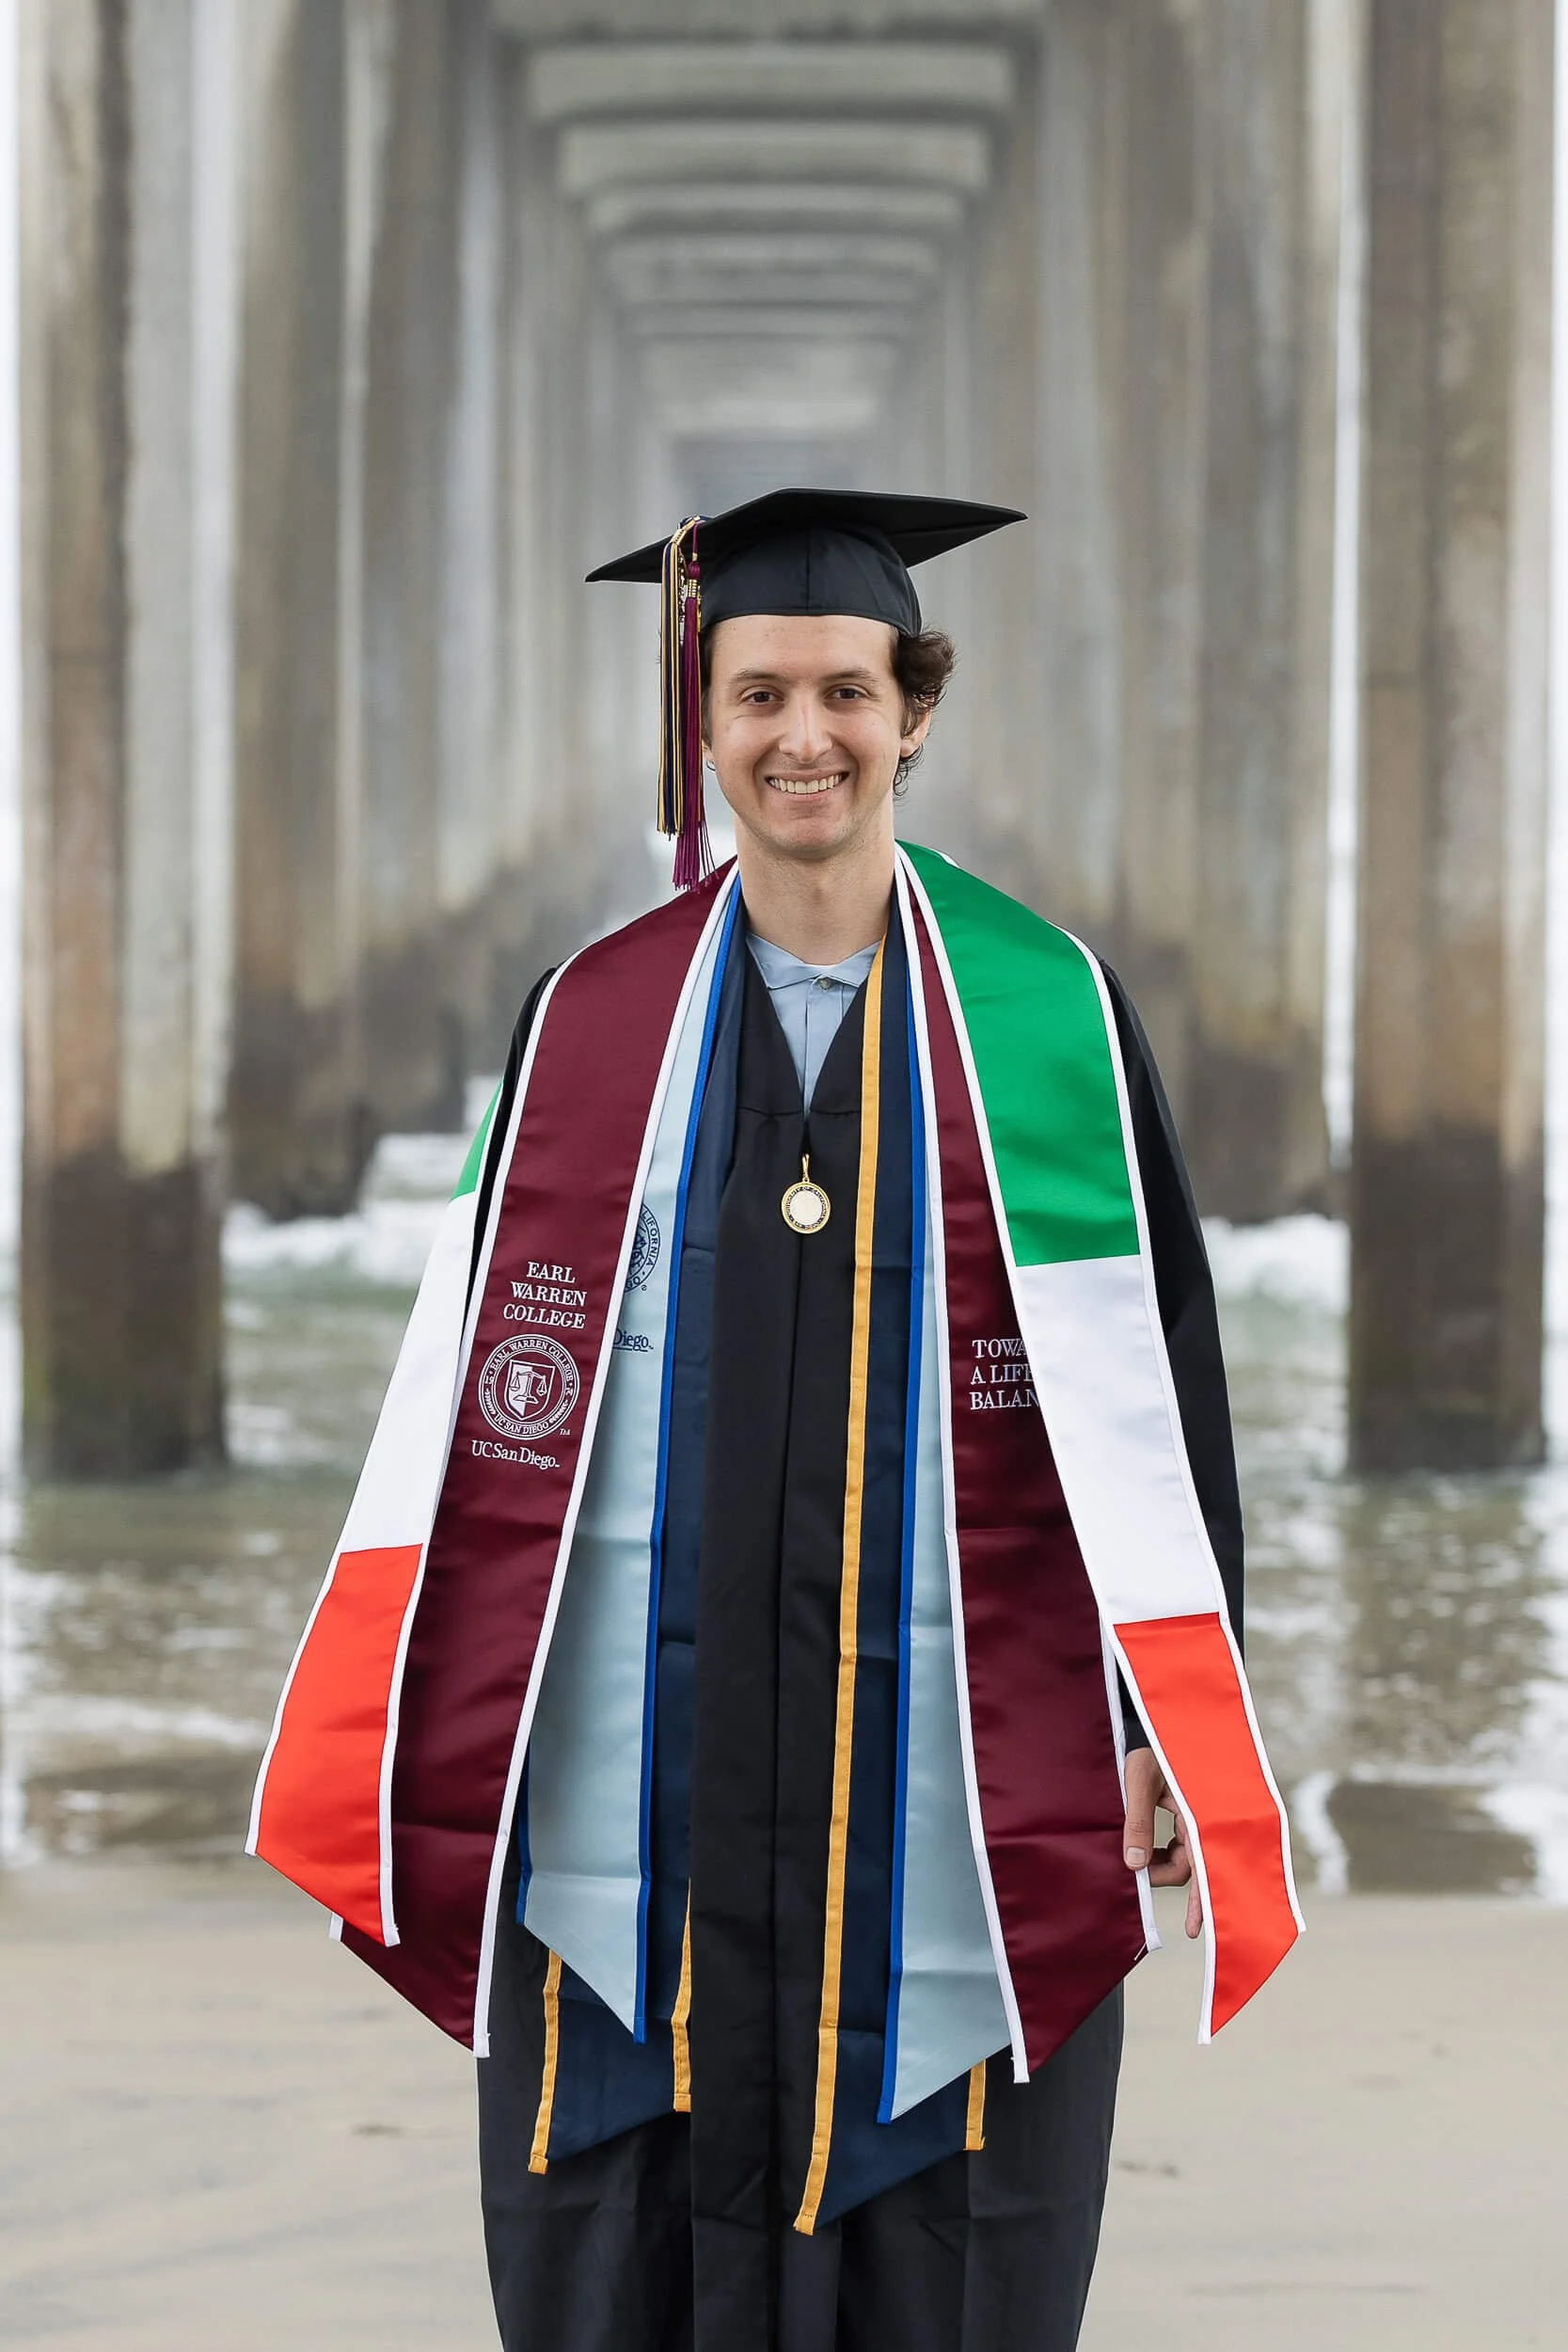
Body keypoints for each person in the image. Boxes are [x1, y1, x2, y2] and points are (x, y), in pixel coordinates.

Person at [249, 489, 1301, 2352]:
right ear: (700, 719)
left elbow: (1156, 1378)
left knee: (950, 2251)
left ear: (914, 709)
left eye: (840, 689)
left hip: (959, 1792)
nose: (798, 733)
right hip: (624, 1806)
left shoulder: (1040, 1014)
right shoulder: (589, 1019)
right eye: (754, 695)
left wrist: (1158, 1714)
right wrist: (424, 1695)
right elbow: (480, 1402)